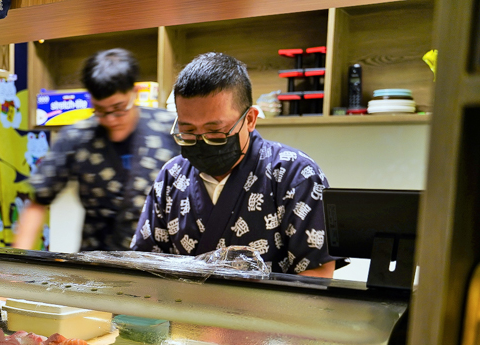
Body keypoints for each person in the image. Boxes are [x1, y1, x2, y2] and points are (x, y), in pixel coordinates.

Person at [131, 52, 339, 277]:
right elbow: (146, 264)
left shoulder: (295, 175)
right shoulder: (172, 177)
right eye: (188, 131)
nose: (202, 141)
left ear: (249, 119)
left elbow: (317, 271)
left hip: (266, 312)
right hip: (180, 311)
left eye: (215, 132)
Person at [14, 49, 176, 251]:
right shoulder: (77, 136)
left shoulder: (167, 129)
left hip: (159, 263)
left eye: (118, 108)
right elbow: (38, 201)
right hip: (96, 264)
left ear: (134, 93)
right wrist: (15, 263)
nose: (110, 119)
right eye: (100, 110)